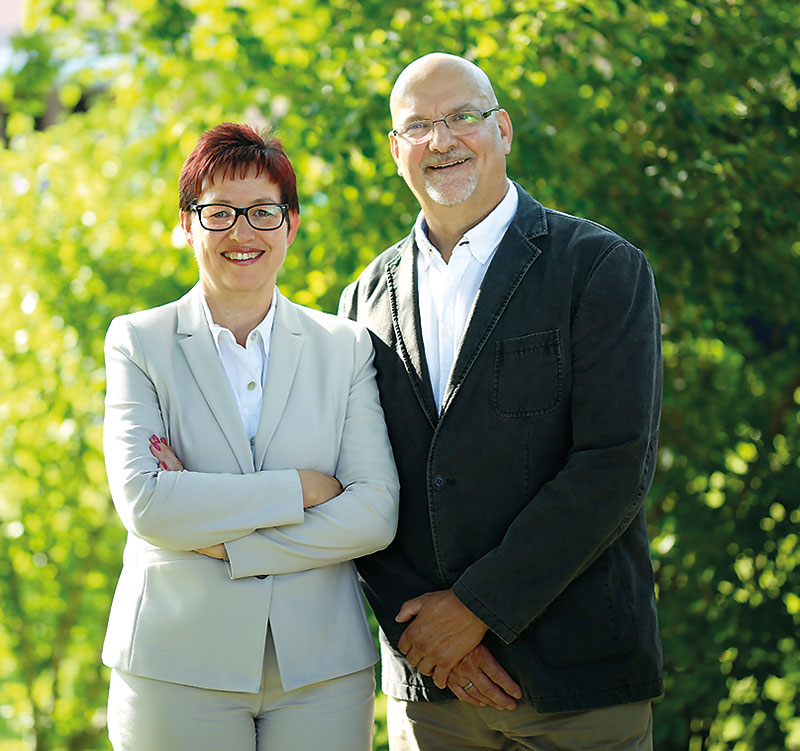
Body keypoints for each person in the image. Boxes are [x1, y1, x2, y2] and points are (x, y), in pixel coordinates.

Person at [339, 52, 663, 750]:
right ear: (396, 151)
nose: (442, 140)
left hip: (578, 686)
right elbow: (357, 483)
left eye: (463, 117)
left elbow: (613, 467)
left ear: (504, 129)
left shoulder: (600, 267)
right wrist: (425, 637)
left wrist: (478, 608)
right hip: (433, 695)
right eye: (419, 126)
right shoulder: (363, 299)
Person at [102, 122, 399, 751]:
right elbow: (149, 505)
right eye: (219, 213)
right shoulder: (139, 341)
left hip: (321, 670)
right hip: (175, 662)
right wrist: (303, 488)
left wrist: (234, 545)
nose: (242, 232)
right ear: (186, 224)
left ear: (290, 225)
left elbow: (374, 512)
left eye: (263, 212)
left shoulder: (343, 347)